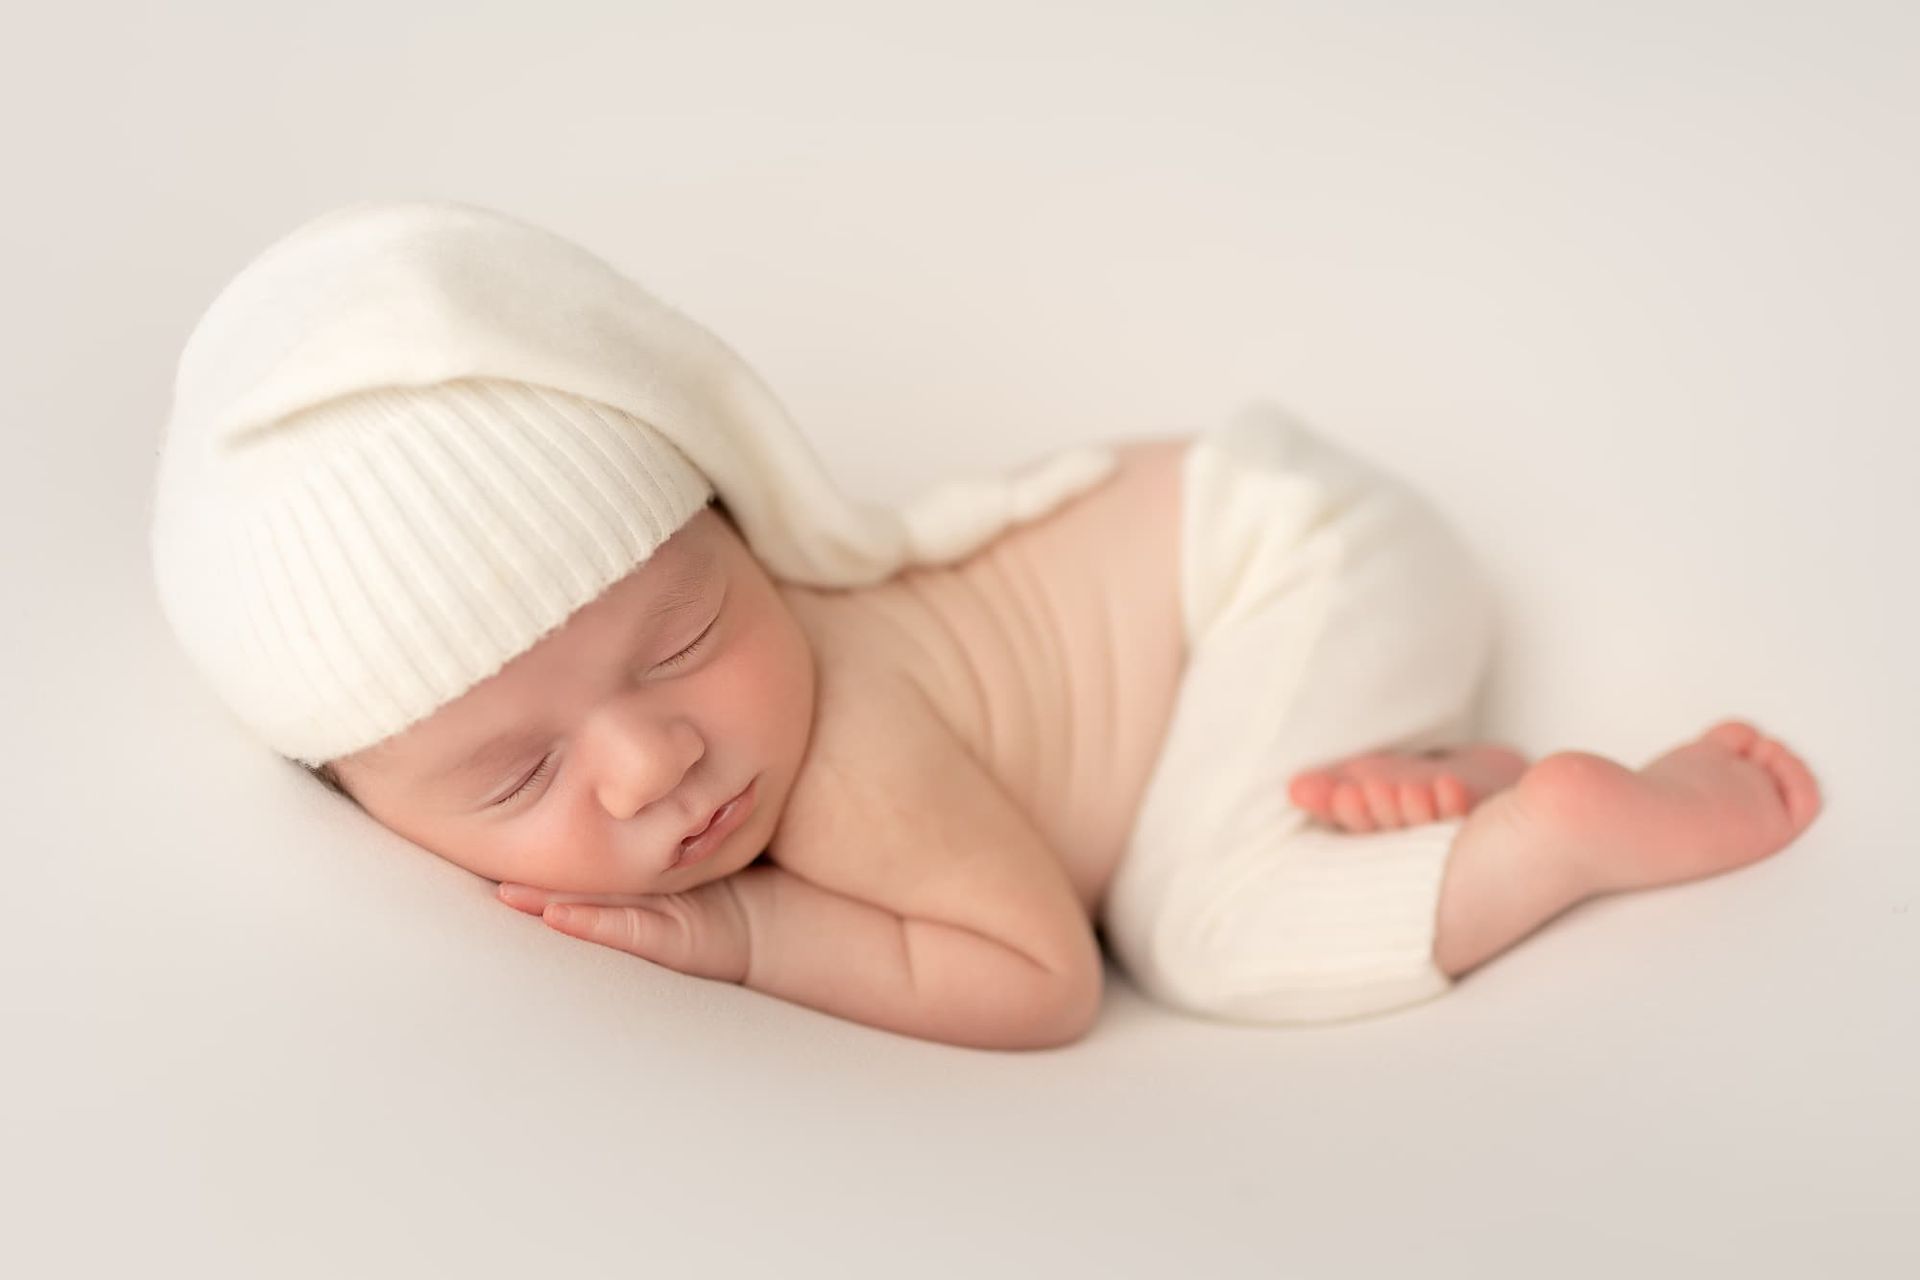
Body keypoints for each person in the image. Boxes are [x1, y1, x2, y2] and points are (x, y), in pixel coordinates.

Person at [149, 200, 1822, 1051]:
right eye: (516, 776)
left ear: (740, 529)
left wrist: (747, 941)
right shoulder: (686, 724)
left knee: (1203, 929)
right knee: (1236, 821)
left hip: (1283, 555)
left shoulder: (847, 749)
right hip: (1255, 582)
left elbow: (1038, 977)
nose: (659, 753)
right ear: (360, 802)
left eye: (681, 642)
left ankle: (1575, 833)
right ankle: (1407, 775)